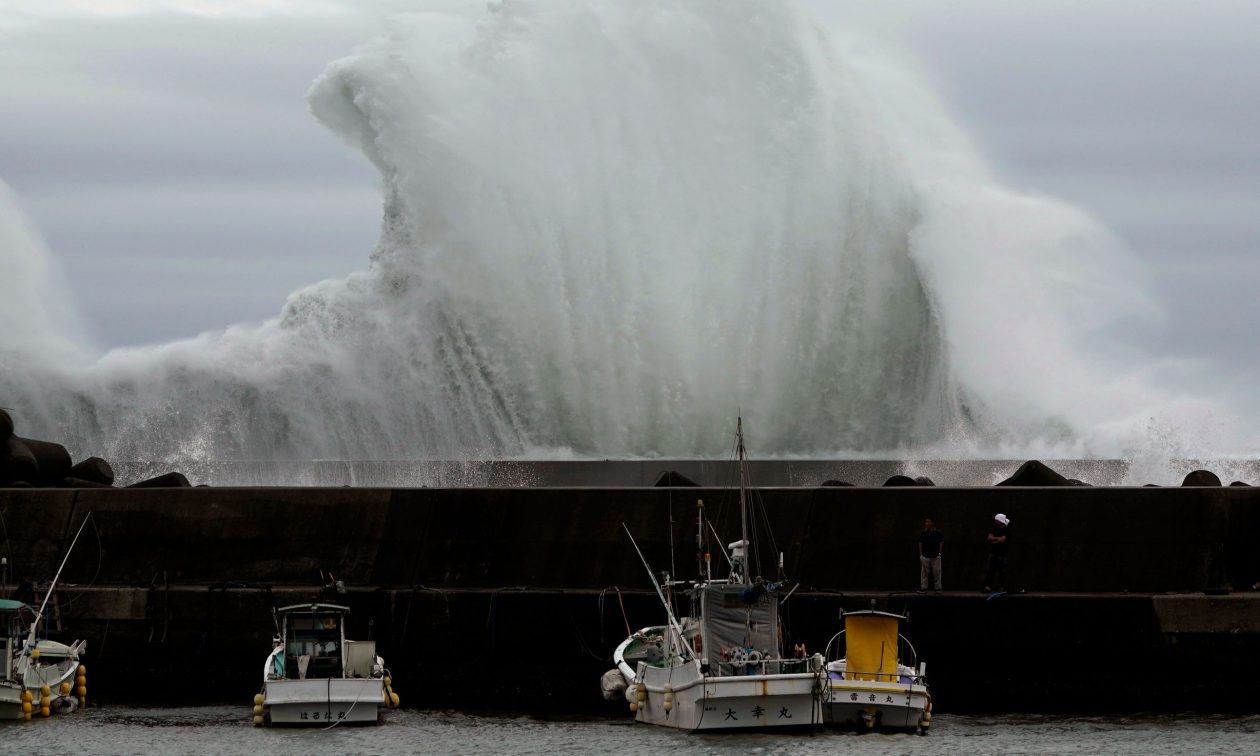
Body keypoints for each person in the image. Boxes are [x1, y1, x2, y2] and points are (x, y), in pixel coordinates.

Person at [983, 513, 1011, 593]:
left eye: (997, 520)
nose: (995, 521)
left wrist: (994, 539)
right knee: (990, 570)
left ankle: (1002, 587)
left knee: (1002, 571)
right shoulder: (994, 529)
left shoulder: (1007, 530)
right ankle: (987, 587)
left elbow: (1002, 540)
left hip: (1002, 554)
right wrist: (998, 539)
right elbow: (989, 538)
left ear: (1000, 521)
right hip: (993, 553)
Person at [917, 517, 944, 592]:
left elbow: (941, 543)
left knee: (937, 573)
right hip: (925, 556)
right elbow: (920, 543)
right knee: (924, 573)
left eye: (928, 522)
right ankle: (923, 588)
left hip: (935, 556)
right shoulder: (923, 533)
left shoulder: (938, 532)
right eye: (926, 522)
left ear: (932, 523)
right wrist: (921, 555)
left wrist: (939, 554)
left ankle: (938, 588)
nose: (926, 523)